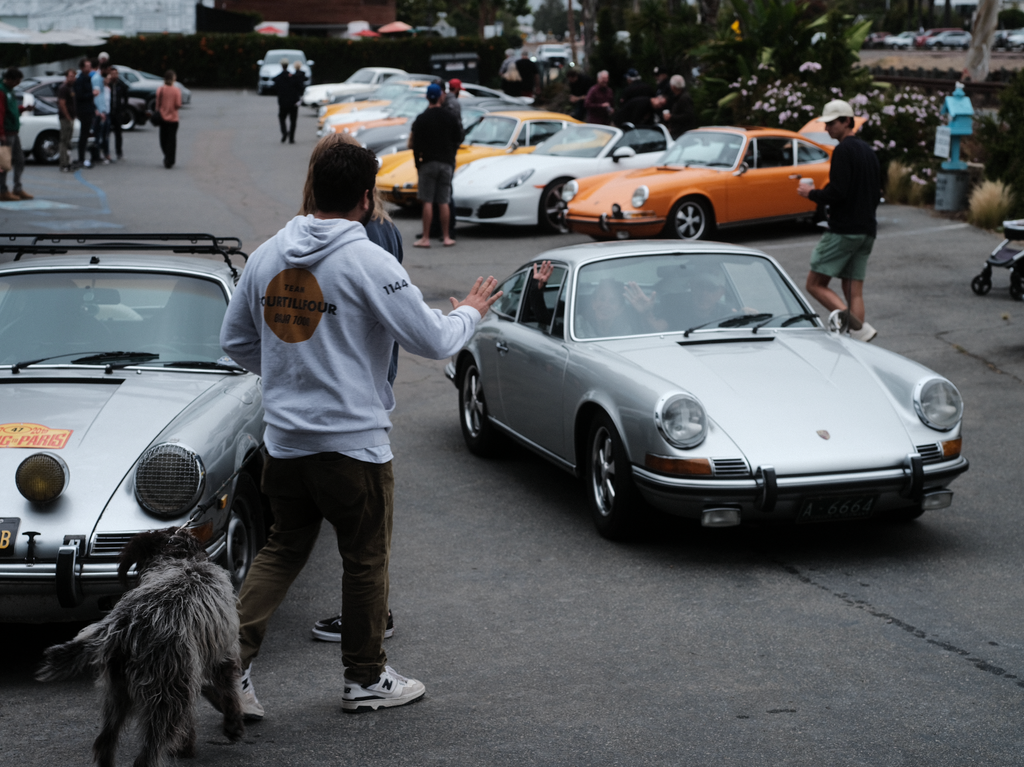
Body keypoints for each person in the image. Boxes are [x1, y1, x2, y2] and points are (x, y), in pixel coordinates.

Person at [219, 140, 502, 718]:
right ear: (366, 197)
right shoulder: (370, 261)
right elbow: (435, 340)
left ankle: (229, 663)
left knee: (281, 549)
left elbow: (236, 342)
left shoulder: (270, 253)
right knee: (365, 559)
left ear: (315, 187)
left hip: (285, 443)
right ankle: (365, 679)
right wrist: (472, 307)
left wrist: (288, 374)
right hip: (352, 445)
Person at [298, 132, 403, 644]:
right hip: (354, 395)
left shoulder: (363, 237)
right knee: (362, 536)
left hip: (338, 401)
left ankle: (369, 622)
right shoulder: (379, 230)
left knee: (350, 538)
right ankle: (365, 656)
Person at [797, 98, 880, 343]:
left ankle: (858, 328)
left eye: (831, 123)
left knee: (814, 283)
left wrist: (810, 194)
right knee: (853, 289)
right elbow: (876, 193)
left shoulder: (843, 150)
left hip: (844, 230)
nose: (827, 128)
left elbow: (838, 191)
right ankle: (859, 338)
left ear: (846, 121)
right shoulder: (868, 151)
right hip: (867, 230)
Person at [408, 83, 462, 248]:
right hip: (446, 162)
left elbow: (415, 145)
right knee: (443, 200)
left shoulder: (421, 118)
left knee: (428, 201)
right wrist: (451, 154)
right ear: (441, 96)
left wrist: (418, 164)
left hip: (428, 163)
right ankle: (446, 237)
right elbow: (459, 137)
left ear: (427, 97)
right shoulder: (450, 117)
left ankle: (426, 237)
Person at [0, 67, 32, 201]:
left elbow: (11, 109)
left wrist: (23, 109)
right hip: (6, 132)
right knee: (4, 163)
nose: (18, 84)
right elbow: (0, 114)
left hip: (14, 131)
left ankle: (17, 187)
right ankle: (3, 190)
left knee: (20, 160)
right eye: (17, 81)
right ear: (11, 80)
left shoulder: (10, 91)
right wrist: (1, 133)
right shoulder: (2, 92)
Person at [155, 70, 182, 168]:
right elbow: (178, 104)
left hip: (162, 117)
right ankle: (170, 159)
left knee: (163, 139)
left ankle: (166, 155)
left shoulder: (160, 90)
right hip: (173, 118)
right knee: (172, 140)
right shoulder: (176, 90)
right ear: (173, 78)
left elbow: (157, 104)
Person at [73, 59, 96, 168]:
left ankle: (87, 156)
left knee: (87, 134)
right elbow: (80, 96)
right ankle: (81, 157)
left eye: (90, 66)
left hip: (89, 109)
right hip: (83, 110)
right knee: (83, 135)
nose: (89, 68)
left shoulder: (88, 79)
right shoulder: (80, 80)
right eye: (87, 66)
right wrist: (92, 94)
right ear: (82, 68)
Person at [273, 58, 302, 144]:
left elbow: (275, 89)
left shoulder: (278, 78)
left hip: (283, 103)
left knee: (282, 118)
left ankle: (284, 132)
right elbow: (300, 88)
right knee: (293, 121)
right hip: (293, 102)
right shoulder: (293, 77)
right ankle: (291, 138)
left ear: (281, 66)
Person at [662, 75, 697, 139]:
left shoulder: (684, 98)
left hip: (682, 133)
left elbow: (688, 115)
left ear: (673, 87)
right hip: (679, 132)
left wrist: (671, 117)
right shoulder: (678, 97)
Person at [107, 67, 129, 161]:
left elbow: (126, 97)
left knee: (118, 133)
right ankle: (106, 152)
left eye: (116, 74)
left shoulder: (121, 84)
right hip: (109, 111)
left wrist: (123, 110)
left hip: (118, 112)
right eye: (112, 74)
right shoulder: (108, 84)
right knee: (106, 133)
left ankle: (119, 152)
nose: (114, 76)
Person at [57, 68, 76, 172]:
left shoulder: (71, 88)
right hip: (65, 118)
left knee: (68, 141)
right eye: (70, 76)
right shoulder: (63, 88)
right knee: (64, 141)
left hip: (71, 117)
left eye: (73, 76)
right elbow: (62, 104)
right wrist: (67, 116)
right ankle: (63, 163)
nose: (72, 78)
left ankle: (68, 161)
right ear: (66, 77)